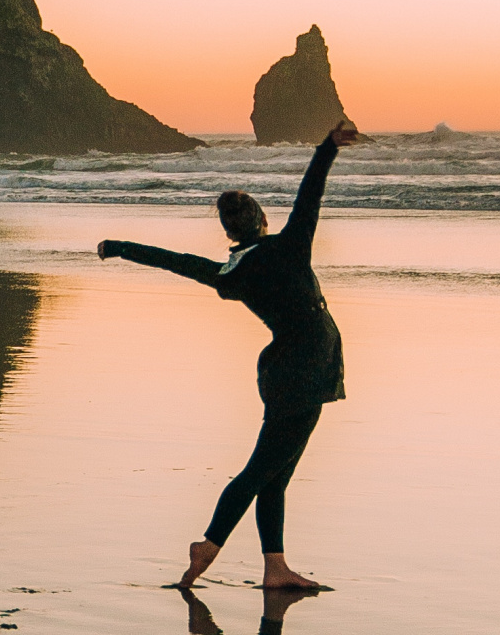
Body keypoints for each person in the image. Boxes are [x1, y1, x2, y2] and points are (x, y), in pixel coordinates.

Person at [97, 120, 360, 590]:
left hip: (288, 372)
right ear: (262, 219)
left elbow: (173, 260)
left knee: (274, 477)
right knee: (261, 472)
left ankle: (275, 567)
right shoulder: (290, 245)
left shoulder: (229, 271)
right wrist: (329, 145)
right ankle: (210, 543)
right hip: (304, 373)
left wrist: (119, 248)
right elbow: (310, 193)